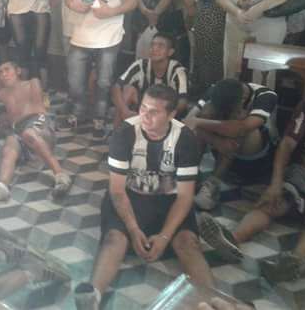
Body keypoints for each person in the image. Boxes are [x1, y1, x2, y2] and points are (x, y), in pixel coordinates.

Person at [74, 85, 213, 310]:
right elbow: (117, 191)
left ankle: (213, 302)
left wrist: (165, 237)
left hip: (169, 200)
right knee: (114, 239)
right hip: (131, 197)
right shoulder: (125, 133)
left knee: (188, 243)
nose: (145, 116)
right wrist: (132, 229)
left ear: (171, 114)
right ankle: (92, 298)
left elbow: (185, 196)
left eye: (154, 112)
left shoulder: (185, 138)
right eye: (143, 108)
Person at [198, 97, 305, 284]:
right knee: (273, 202)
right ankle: (231, 240)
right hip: (303, 173)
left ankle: (294, 262)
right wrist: (275, 183)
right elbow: (287, 144)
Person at [62, 0, 138, 139]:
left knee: (104, 82)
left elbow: (132, 0)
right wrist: (75, 5)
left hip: (109, 33)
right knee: (75, 81)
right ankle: (78, 111)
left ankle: (99, 119)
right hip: (82, 32)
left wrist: (110, 11)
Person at [0, 61, 72, 201]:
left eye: (7, 70)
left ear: (18, 71)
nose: (3, 74)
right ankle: (2, 186)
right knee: (9, 145)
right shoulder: (2, 94)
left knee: (29, 133)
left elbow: (37, 105)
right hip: (18, 129)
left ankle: (61, 176)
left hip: (38, 122)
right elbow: (11, 114)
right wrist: (0, 121)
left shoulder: (32, 83)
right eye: (0, 72)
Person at [184, 79, 278, 211]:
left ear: (243, 98)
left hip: (257, 159)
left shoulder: (265, 95)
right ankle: (190, 175)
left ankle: (213, 185)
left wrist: (199, 123)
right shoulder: (216, 88)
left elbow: (242, 128)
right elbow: (188, 121)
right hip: (223, 149)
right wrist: (217, 141)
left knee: (240, 123)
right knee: (206, 112)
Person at [112, 32, 188, 126]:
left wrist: (160, 111)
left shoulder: (177, 71)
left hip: (166, 112)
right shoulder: (140, 65)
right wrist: (124, 111)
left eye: (160, 46)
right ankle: (117, 132)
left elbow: (182, 102)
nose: (155, 49)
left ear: (170, 52)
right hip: (145, 106)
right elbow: (116, 87)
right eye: (152, 45)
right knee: (128, 90)